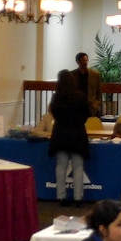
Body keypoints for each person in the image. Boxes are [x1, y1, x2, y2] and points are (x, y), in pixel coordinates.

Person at [46, 68, 93, 203]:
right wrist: (77, 122)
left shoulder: (56, 97)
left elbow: (53, 113)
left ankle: (61, 196)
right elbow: (86, 114)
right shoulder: (81, 96)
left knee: (61, 166)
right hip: (77, 133)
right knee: (78, 166)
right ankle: (78, 197)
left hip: (60, 133)